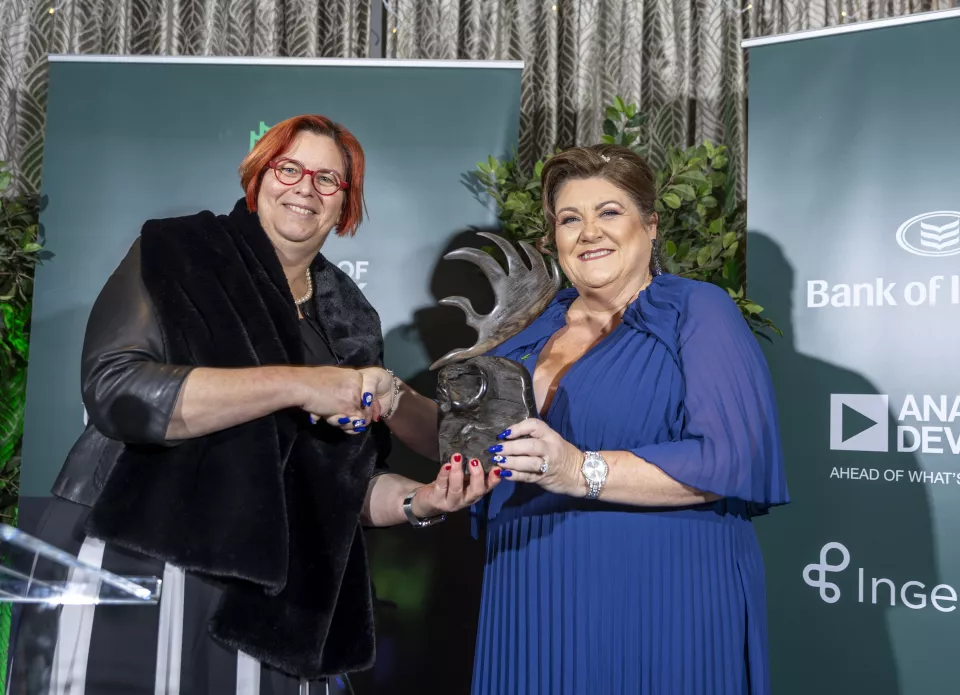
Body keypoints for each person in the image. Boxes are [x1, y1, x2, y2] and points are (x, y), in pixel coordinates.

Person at [11, 114, 499, 695]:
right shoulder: (179, 249)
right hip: (135, 553)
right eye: (288, 168)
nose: (304, 188)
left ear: (345, 204)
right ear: (259, 176)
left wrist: (421, 501)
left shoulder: (348, 316)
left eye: (327, 179)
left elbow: (344, 483)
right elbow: (117, 392)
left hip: (269, 589)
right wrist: (299, 385)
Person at [348, 143, 790, 694]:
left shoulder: (696, 310)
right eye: (570, 219)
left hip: (663, 585)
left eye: (610, 212)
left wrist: (580, 469)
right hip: (531, 578)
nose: (589, 232)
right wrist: (394, 401)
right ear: (554, 237)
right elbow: (473, 444)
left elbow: (731, 457)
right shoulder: (530, 329)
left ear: (650, 226)